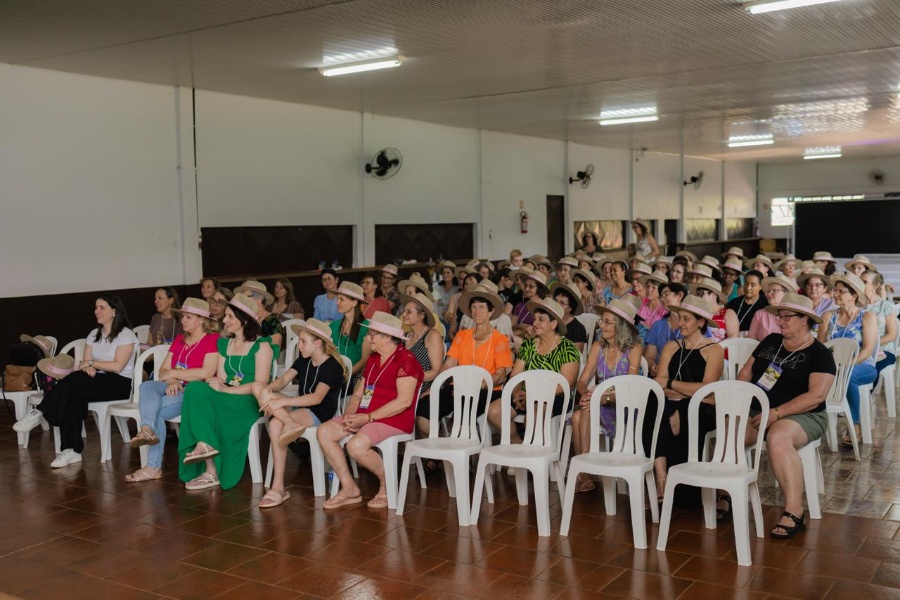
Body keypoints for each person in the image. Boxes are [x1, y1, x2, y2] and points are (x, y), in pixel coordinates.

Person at [737, 293, 836, 539]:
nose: (779, 322)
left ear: (805, 320)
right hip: (759, 409)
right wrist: (737, 400)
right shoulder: (771, 341)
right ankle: (730, 493)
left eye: (786, 317)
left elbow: (816, 396)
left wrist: (778, 413)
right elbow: (746, 373)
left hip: (804, 415)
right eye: (779, 317)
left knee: (778, 438)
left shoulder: (820, 354)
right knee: (732, 429)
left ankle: (794, 510)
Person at [14, 294, 139, 468]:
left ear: (114, 311)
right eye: (96, 307)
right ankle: (71, 451)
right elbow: (83, 363)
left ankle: (40, 411)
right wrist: (88, 366)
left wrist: (91, 364)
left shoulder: (126, 335)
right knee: (72, 395)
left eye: (102, 307)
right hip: (96, 379)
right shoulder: (94, 334)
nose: (97, 311)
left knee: (72, 383)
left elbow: (117, 366)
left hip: (119, 383)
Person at [318, 312, 424, 509]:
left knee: (355, 446)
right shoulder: (374, 359)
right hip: (365, 415)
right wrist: (350, 413)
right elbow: (359, 394)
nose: (368, 338)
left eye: (373, 334)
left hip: (394, 419)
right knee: (324, 431)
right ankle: (349, 487)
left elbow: (404, 401)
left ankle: (387, 484)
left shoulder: (406, 360)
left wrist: (367, 418)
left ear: (387, 337)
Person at [178, 293, 274, 490]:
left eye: (230, 316)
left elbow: (260, 385)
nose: (225, 320)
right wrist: (216, 382)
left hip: (248, 399)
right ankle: (207, 452)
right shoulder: (224, 344)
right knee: (195, 388)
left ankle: (212, 468)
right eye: (226, 316)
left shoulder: (262, 346)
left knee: (209, 405)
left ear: (244, 320)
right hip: (226, 393)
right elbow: (221, 377)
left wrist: (225, 389)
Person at [252, 319, 347, 508]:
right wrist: (267, 390)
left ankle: (278, 487)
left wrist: (283, 401)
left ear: (318, 343)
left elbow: (317, 398)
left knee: (274, 424)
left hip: (320, 412)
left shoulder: (332, 366)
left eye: (303, 341)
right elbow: (284, 380)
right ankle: (289, 422)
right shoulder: (304, 359)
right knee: (257, 387)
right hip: (300, 408)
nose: (299, 346)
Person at [126, 298, 219, 483]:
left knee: (157, 412)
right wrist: (173, 380)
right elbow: (162, 371)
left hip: (193, 392)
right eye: (182, 316)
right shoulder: (180, 340)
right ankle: (147, 429)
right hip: (174, 387)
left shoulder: (212, 340)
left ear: (201, 319)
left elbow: (206, 372)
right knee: (147, 385)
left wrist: (174, 374)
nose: (182, 320)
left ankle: (152, 466)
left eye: (188, 317)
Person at [653, 295, 724, 503]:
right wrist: (685, 391)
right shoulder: (671, 347)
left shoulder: (714, 349)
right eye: (679, 318)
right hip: (671, 403)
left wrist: (671, 384)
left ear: (700, 322)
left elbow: (706, 390)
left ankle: (677, 484)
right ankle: (662, 476)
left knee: (677, 410)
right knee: (653, 405)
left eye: (686, 319)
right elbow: (658, 384)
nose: (680, 323)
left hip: (703, 409)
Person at [417, 286, 513, 438]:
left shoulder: (499, 339)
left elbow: (501, 375)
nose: (476, 311)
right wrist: (436, 386)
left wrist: (475, 386)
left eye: (481, 307)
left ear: (491, 311)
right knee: (424, 412)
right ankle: (441, 450)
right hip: (458, 388)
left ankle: (457, 453)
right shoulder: (462, 335)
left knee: (461, 414)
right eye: (473, 307)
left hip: (487, 390)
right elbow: (448, 364)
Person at [572, 298, 643, 492]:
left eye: (606, 322)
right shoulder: (598, 347)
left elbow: (631, 386)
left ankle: (584, 469)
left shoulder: (634, 349)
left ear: (620, 326)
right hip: (599, 402)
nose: (601, 325)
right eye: (602, 320)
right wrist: (586, 392)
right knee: (581, 412)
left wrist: (603, 398)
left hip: (624, 405)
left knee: (581, 412)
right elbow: (582, 380)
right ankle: (585, 468)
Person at [487, 298, 580, 443]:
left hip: (554, 396)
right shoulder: (528, 345)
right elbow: (515, 375)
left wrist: (534, 395)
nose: (535, 323)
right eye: (535, 319)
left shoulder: (567, 348)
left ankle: (536, 457)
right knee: (494, 411)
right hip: (525, 395)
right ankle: (518, 447)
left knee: (534, 414)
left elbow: (565, 384)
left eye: (541, 320)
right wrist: (517, 392)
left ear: (554, 324)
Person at [818, 273, 878, 443]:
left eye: (841, 291)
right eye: (835, 291)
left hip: (862, 366)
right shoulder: (828, 316)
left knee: (849, 375)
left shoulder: (866, 316)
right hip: (834, 366)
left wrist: (847, 365)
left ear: (854, 295)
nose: (835, 294)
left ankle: (855, 424)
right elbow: (821, 346)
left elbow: (867, 350)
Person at [399, 291, 445, 395]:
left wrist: (410, 378)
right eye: (404, 311)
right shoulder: (404, 336)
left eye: (409, 312)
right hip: (400, 385)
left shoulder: (432, 335)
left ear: (421, 315)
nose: (403, 314)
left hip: (421, 386)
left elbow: (435, 371)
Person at [861, 270, 898, 383]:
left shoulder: (886, 306)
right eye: (859, 281)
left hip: (884, 351)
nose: (861, 284)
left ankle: (866, 397)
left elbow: (891, 335)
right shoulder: (857, 305)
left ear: (876, 285)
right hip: (860, 349)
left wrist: (870, 344)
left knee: (869, 369)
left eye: (865, 282)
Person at [330, 282, 371, 379]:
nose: (337, 303)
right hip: (335, 375)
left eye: (341, 299)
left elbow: (365, 360)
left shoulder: (366, 327)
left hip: (356, 377)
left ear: (354, 302)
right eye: (337, 298)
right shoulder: (333, 326)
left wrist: (346, 376)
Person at [235, 280, 284, 357]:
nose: (242, 302)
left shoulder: (272, 320)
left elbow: (276, 347)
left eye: (246, 298)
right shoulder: (244, 319)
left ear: (259, 299)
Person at [748, 274, 797, 341]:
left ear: (786, 294)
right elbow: (750, 340)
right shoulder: (760, 314)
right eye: (768, 291)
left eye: (774, 290)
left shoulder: (793, 315)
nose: (769, 294)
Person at [688, 277, 734, 342]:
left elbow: (733, 337)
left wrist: (712, 348)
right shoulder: (697, 314)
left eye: (701, 293)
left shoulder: (728, 313)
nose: (698, 297)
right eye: (697, 294)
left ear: (714, 295)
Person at [725, 269, 767, 338]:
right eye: (746, 284)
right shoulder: (733, 303)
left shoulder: (765, 305)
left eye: (752, 285)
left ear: (761, 286)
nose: (748, 288)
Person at [511, 269, 549, 342]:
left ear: (539, 289)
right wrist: (522, 326)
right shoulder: (520, 306)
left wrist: (520, 331)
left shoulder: (546, 307)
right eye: (526, 285)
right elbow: (511, 327)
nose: (526, 289)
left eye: (531, 286)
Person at [553, 282, 588, 352]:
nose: (556, 305)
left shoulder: (578, 329)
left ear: (571, 308)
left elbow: (575, 357)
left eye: (562, 303)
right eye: (556, 301)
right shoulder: (549, 320)